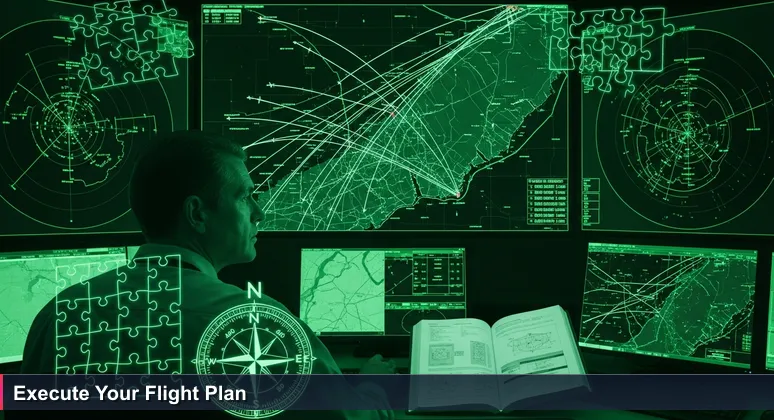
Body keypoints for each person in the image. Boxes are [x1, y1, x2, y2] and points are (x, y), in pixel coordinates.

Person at [21, 130, 395, 419]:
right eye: (245, 196)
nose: (258, 213)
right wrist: (376, 385)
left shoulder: (59, 316)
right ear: (198, 214)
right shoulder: (258, 327)